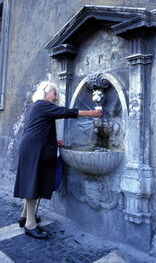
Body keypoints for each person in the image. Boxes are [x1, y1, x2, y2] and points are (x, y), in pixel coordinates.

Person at [14, 83, 102, 239]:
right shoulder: (42, 104)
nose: (56, 97)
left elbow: (39, 129)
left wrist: (55, 142)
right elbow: (65, 112)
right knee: (33, 185)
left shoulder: (39, 107)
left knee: (34, 182)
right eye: (54, 93)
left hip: (33, 147)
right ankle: (30, 225)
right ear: (44, 93)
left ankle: (25, 217)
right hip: (34, 150)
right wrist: (92, 113)